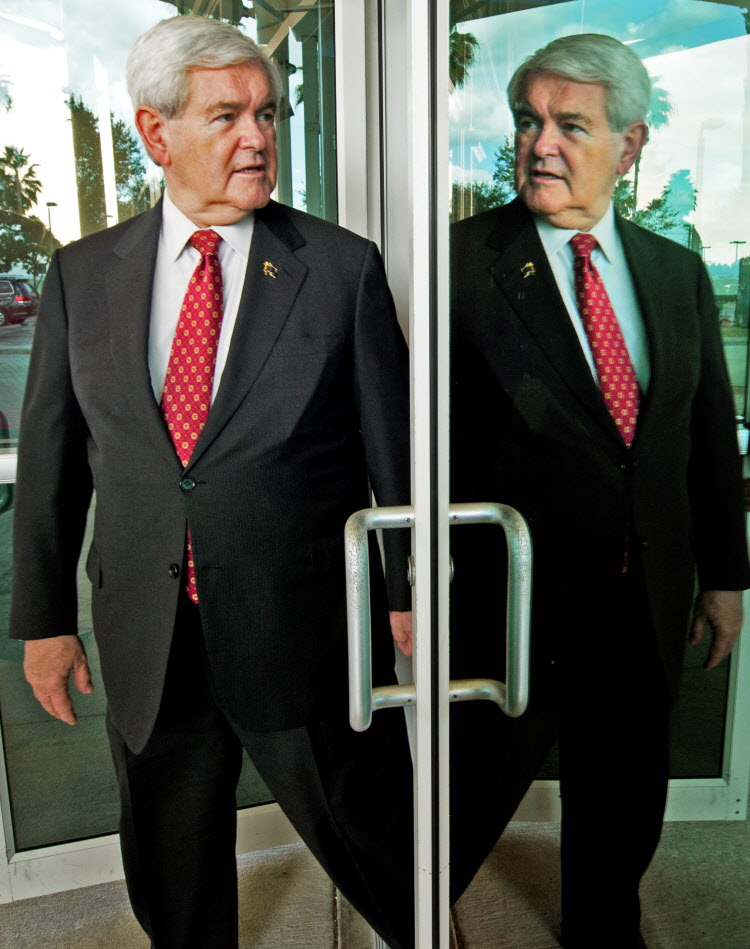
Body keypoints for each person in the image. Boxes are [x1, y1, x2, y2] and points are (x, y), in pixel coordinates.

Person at [9, 15, 414, 949]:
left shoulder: (339, 268)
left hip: (302, 623)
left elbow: (390, 448)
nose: (257, 138)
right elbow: (55, 462)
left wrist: (404, 591)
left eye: (266, 114)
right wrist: (44, 620)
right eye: (226, 116)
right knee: (171, 859)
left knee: (376, 839)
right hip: (153, 631)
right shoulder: (82, 276)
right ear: (156, 134)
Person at [449, 33, 749, 949]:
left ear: (630, 146)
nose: (541, 144)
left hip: (642, 591)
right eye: (529, 121)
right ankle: (425, 921)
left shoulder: (675, 271)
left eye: (570, 125)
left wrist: (726, 576)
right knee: (461, 798)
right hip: (512, 602)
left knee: (623, 797)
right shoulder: (463, 264)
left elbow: (704, 440)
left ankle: (605, 929)